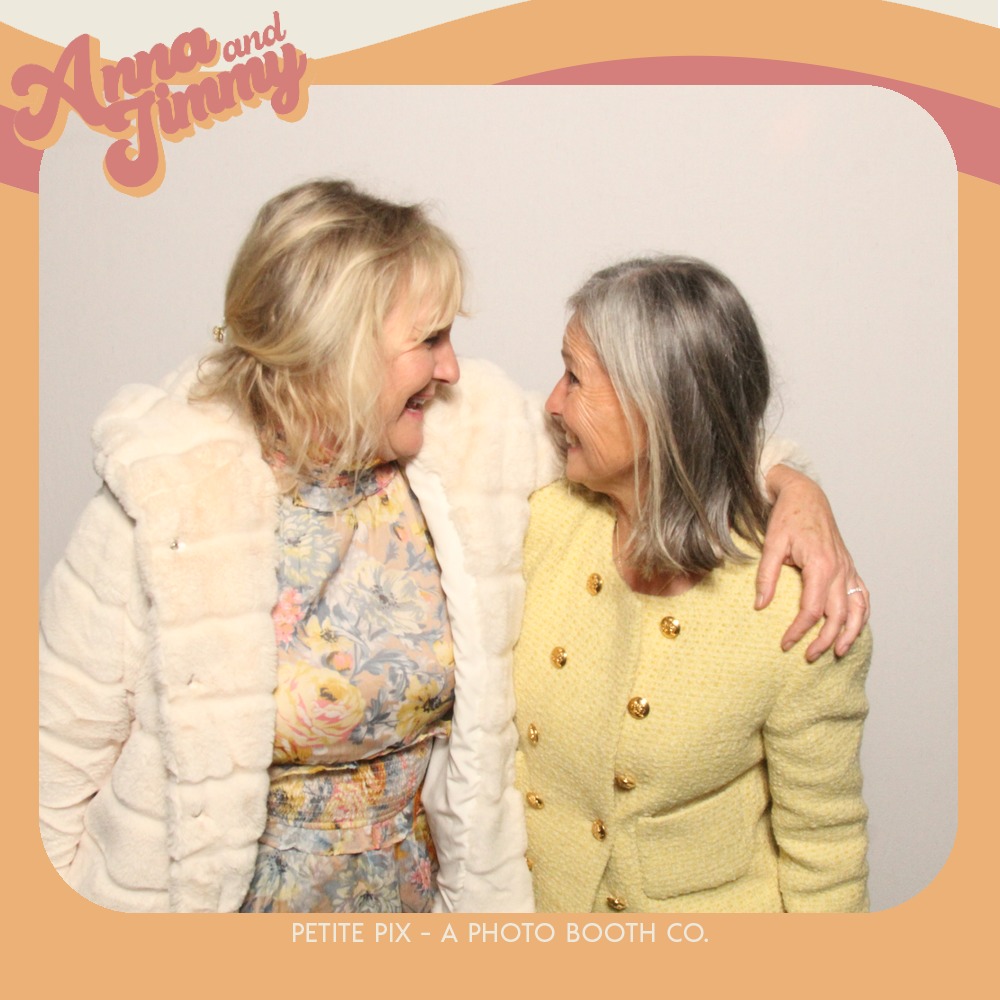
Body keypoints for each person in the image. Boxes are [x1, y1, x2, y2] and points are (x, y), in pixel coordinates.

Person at [39, 180, 864, 913]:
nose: (452, 368)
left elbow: (670, 426)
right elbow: (49, 768)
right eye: (428, 339)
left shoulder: (470, 445)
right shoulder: (161, 504)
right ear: (337, 349)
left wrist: (792, 486)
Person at [514, 256, 872, 913]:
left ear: (655, 406)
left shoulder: (799, 605)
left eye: (574, 377)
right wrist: (794, 481)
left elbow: (827, 853)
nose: (552, 403)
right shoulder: (540, 523)